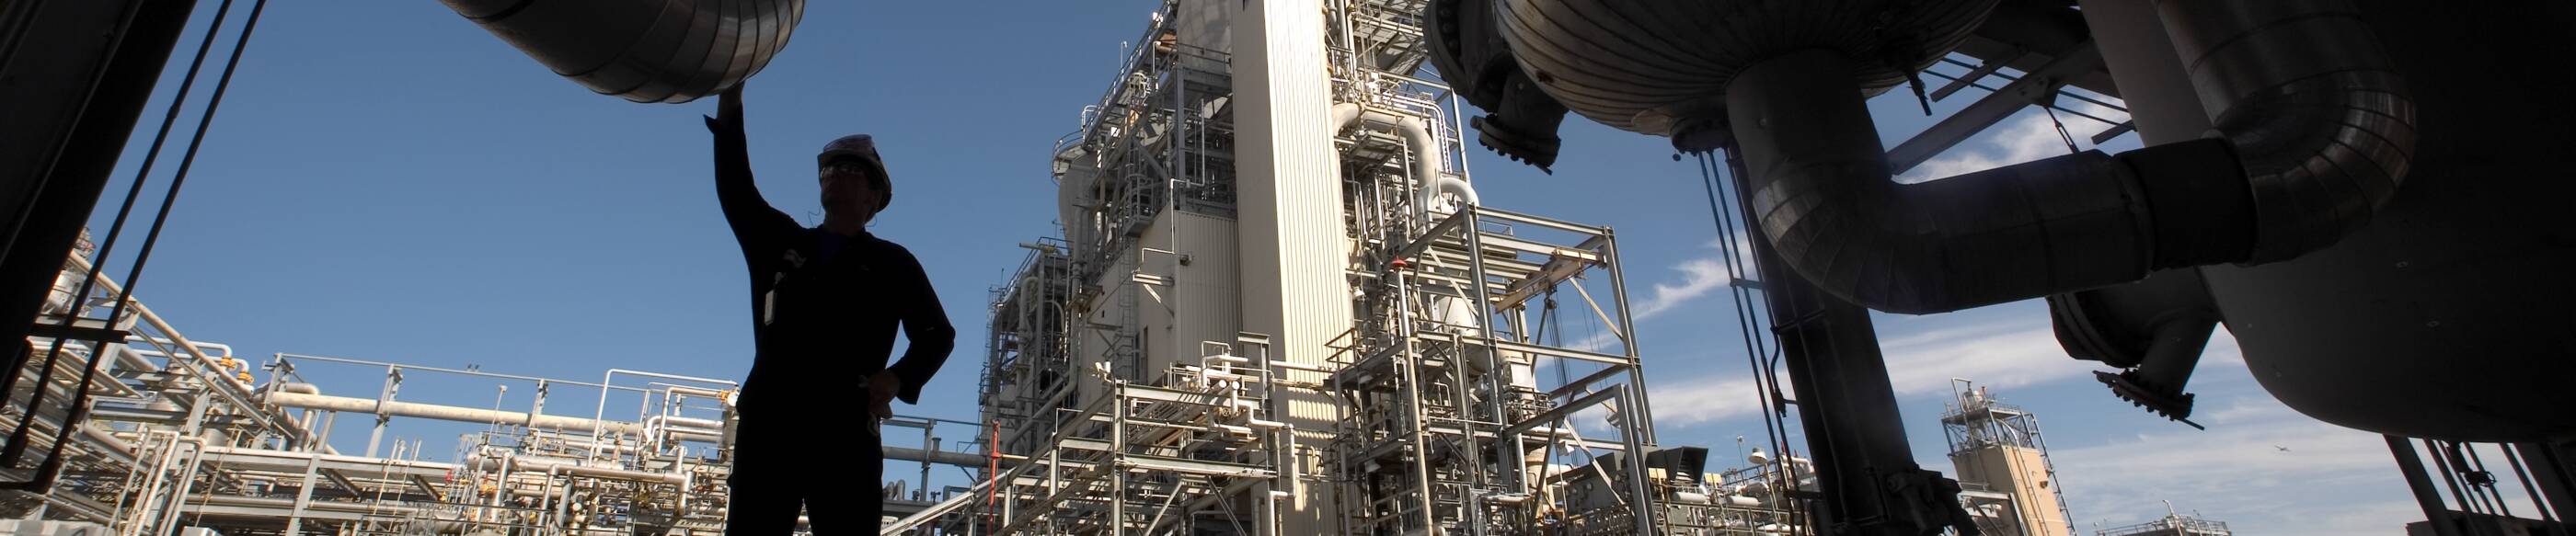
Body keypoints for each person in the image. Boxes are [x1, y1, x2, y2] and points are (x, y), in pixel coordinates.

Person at [703, 84, 955, 534]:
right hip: (772, 424)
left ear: (874, 197)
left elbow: (938, 333)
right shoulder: (780, 245)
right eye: (832, 168)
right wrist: (731, 101)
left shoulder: (892, 263)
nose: (837, 173)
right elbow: (736, 191)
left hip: (845, 429)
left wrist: (897, 377)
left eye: (852, 170)